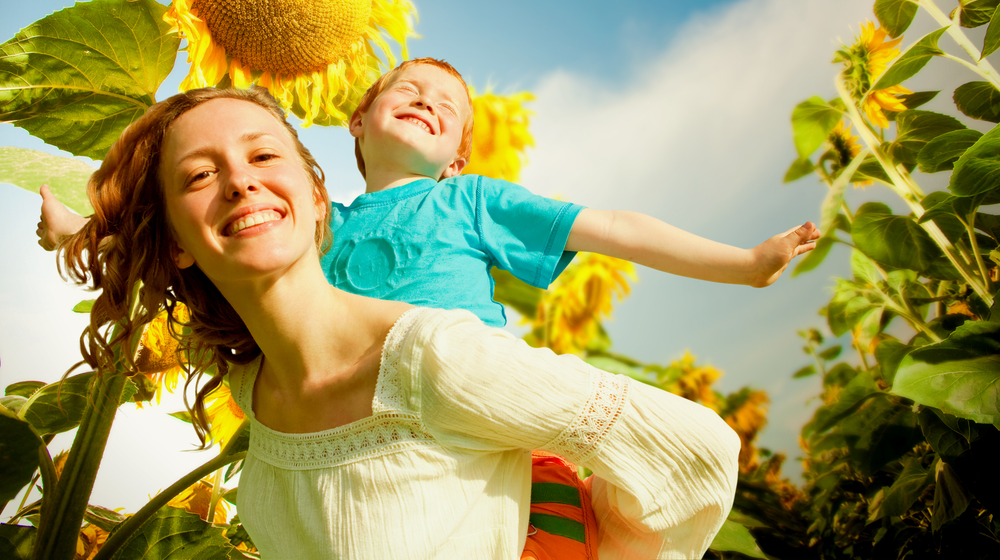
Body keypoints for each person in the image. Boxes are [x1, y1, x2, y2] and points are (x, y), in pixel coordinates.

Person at [55, 87, 741, 559]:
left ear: (317, 196)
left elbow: (694, 456)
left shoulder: (432, 356)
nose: (241, 181)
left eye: (265, 155)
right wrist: (80, 232)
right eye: (200, 175)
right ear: (175, 240)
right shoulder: (250, 392)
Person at [39, 57, 820, 330]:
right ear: (357, 120)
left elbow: (611, 226)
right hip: (368, 409)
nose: (429, 100)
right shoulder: (315, 219)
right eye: (408, 88)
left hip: (471, 383)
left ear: (455, 159)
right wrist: (80, 230)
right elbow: (200, 230)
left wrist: (744, 262)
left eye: (449, 110)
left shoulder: (470, 201)